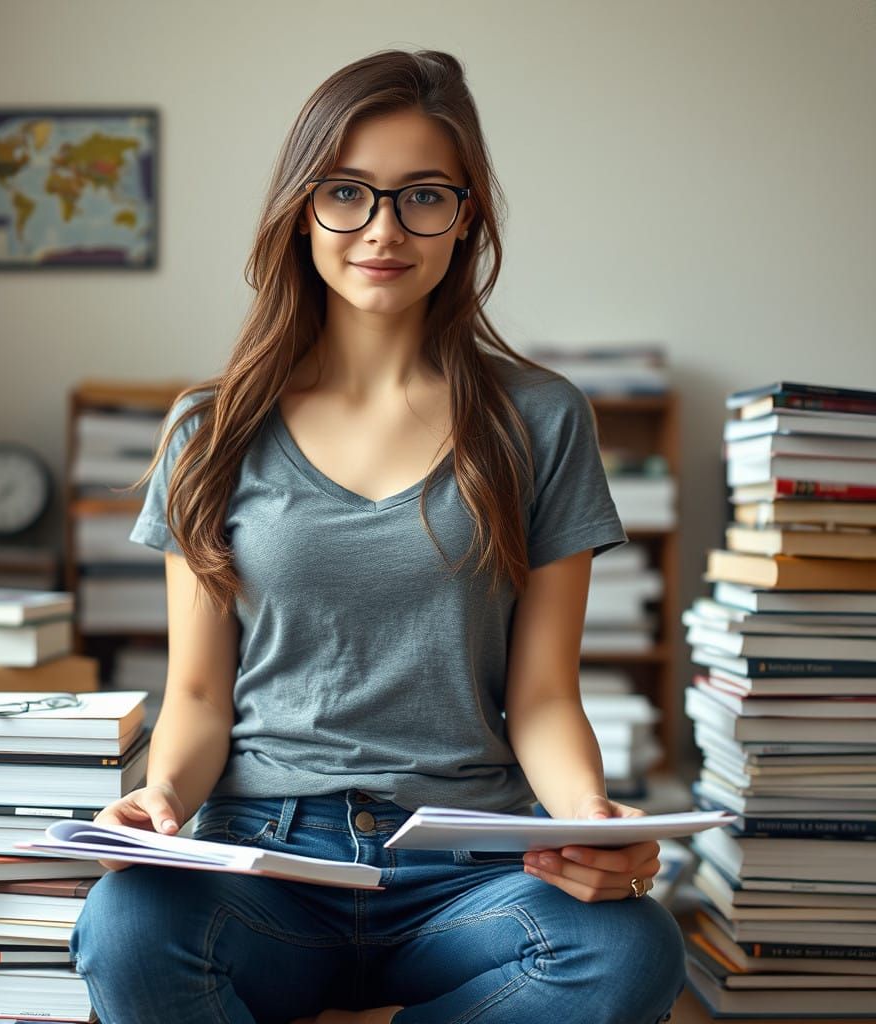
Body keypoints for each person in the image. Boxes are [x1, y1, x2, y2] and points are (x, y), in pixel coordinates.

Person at [70, 48, 685, 1024]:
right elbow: (194, 693)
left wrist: (588, 817)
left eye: (422, 196)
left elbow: (540, 695)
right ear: (302, 208)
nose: (383, 230)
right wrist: (159, 803)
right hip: (264, 861)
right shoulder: (210, 427)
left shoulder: (540, 418)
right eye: (347, 193)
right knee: (126, 930)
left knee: (627, 953)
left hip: (472, 866)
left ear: (466, 213)